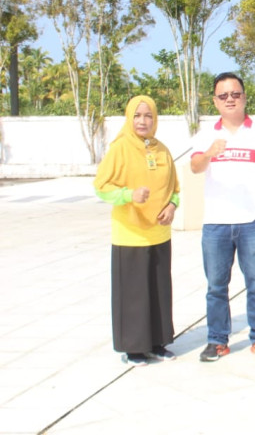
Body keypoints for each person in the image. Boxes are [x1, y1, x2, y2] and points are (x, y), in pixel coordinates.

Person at [190, 72, 255, 362]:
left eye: (235, 94)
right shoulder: (206, 134)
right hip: (216, 225)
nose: (230, 99)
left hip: (252, 223)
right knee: (216, 286)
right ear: (215, 101)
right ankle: (217, 340)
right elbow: (195, 167)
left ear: (244, 97)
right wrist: (209, 153)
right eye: (223, 95)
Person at [94, 95, 180, 366]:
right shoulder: (119, 149)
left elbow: (175, 188)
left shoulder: (162, 150)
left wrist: (172, 206)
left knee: (158, 289)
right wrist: (129, 195)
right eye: (138, 115)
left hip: (159, 232)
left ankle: (157, 342)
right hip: (130, 234)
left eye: (149, 116)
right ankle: (133, 348)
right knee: (133, 292)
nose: (143, 121)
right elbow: (101, 187)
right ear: (129, 118)